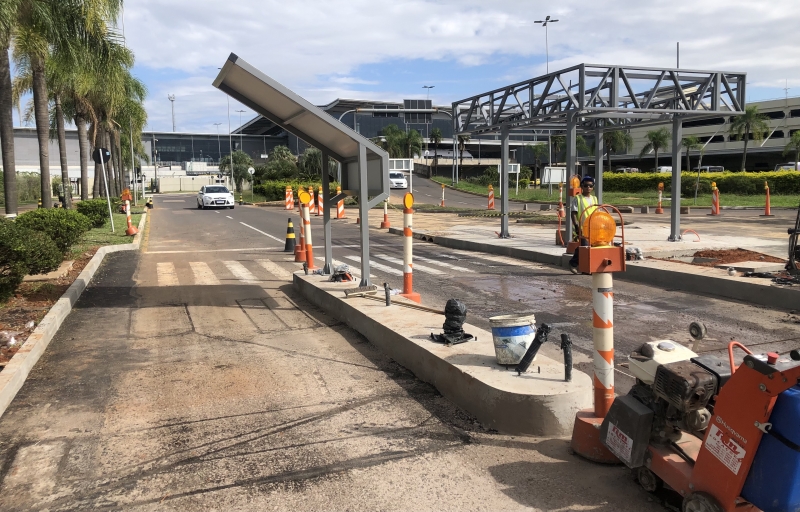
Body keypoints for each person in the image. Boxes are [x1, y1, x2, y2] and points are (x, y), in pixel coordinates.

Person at [568, 175, 598, 274]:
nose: (588, 188)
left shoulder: (594, 199)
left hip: (593, 228)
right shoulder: (578, 198)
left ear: (593, 187)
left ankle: (586, 268)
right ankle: (573, 263)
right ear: (582, 186)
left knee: (591, 247)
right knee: (584, 247)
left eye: (590, 186)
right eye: (586, 186)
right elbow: (573, 213)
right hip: (582, 227)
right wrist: (576, 226)